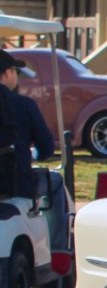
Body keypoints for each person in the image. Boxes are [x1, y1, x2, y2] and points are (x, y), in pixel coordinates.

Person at [0, 49, 56, 201]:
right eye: (15, 71)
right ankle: (63, 225)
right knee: (56, 181)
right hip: (16, 189)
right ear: (6, 73)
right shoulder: (24, 105)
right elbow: (46, 148)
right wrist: (32, 153)